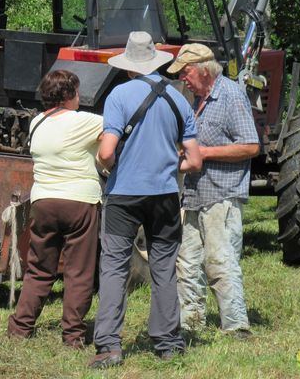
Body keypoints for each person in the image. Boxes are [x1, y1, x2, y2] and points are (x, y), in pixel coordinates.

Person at [89, 31, 202, 369]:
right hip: (165, 194)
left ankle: (109, 346)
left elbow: (107, 152)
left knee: (113, 268)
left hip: (124, 194)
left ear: (127, 66)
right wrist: (168, 164)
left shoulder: (119, 95)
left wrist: (108, 166)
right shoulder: (179, 99)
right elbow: (194, 161)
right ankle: (168, 342)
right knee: (164, 268)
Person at [166, 43, 259, 337]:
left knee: (220, 260)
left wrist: (204, 153)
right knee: (188, 262)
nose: (182, 78)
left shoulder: (231, 95)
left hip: (222, 193)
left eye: (185, 71)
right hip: (193, 194)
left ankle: (235, 326)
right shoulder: (197, 100)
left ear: (204, 69)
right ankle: (191, 324)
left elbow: (251, 145)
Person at [7, 70, 102, 348]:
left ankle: (21, 327)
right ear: (69, 95)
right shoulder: (85, 121)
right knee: (79, 272)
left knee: (39, 268)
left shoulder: (37, 122)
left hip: (44, 201)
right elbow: (115, 132)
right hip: (79, 200)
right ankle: (72, 334)